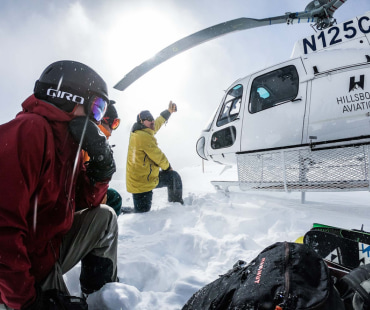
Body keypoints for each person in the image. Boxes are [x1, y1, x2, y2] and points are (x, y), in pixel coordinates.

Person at [0, 60, 118, 310]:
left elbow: (87, 203)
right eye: (96, 108)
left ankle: (99, 298)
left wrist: (101, 169)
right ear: (70, 98)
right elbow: (2, 229)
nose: (96, 119)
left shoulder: (68, 145)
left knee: (104, 219)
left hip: (44, 253)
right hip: (15, 275)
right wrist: (28, 302)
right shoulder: (30, 130)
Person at [126, 101, 183, 213]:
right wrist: (168, 168)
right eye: (149, 119)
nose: (152, 121)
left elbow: (157, 123)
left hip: (142, 179)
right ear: (141, 122)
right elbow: (159, 156)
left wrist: (169, 112)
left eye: (152, 118)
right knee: (142, 214)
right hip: (142, 183)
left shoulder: (141, 132)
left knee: (173, 177)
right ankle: (176, 208)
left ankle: (175, 207)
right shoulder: (142, 137)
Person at [81, 100, 123, 217]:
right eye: (114, 123)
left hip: (82, 194)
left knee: (112, 196)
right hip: (80, 199)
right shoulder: (91, 141)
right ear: (103, 120)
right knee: (114, 199)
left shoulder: (89, 135)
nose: (113, 129)